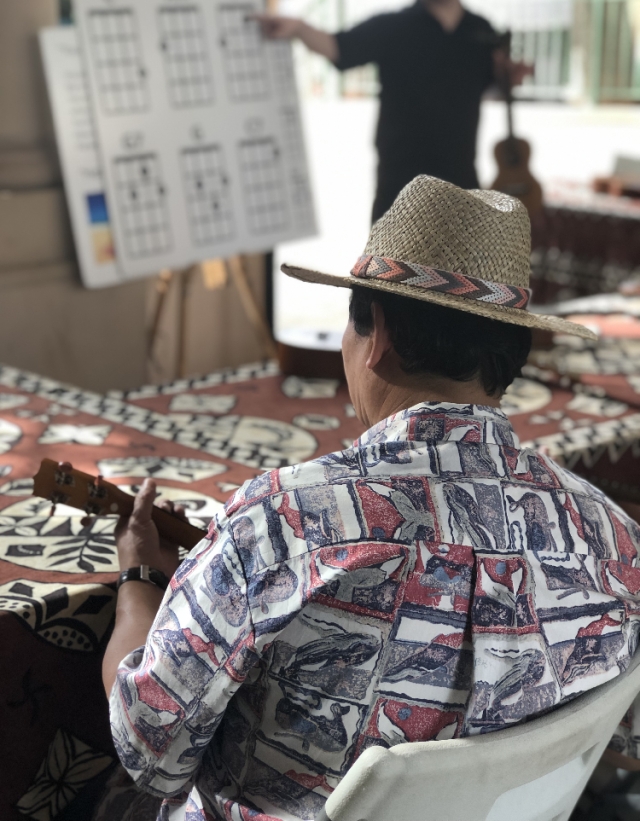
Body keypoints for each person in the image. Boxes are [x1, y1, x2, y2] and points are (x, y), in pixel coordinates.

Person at [105, 176, 640, 821]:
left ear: (377, 332)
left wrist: (138, 579)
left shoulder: (279, 527)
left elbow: (146, 750)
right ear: (510, 351)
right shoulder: (612, 538)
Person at [255, 0, 530, 221]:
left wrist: (507, 80)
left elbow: (487, 87)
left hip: (461, 182)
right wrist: (298, 28)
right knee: (387, 273)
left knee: (457, 273)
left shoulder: (482, 31)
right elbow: (339, 47)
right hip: (399, 186)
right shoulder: (393, 27)